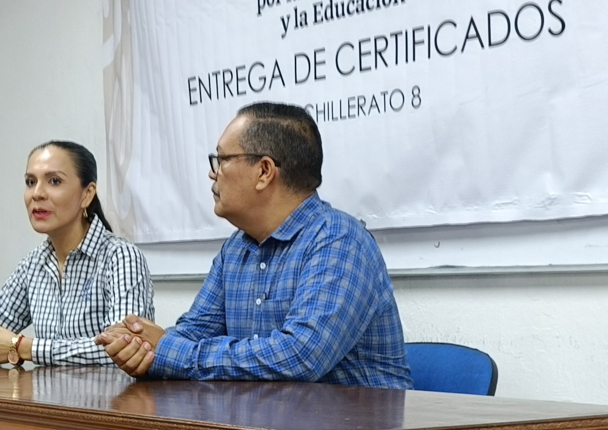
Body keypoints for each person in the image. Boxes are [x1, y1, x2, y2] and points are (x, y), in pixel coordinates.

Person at [96, 102, 411, 387]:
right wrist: (142, 347)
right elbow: (195, 331)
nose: (212, 173)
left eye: (222, 159)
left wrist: (167, 350)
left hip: (360, 428)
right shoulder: (236, 249)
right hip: (273, 423)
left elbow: (299, 356)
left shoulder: (338, 240)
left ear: (264, 171)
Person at [0, 140, 154, 367]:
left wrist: (23, 347)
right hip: (47, 391)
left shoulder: (121, 257)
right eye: (30, 182)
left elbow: (126, 348)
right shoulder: (34, 264)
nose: (37, 194)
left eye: (54, 181)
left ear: (87, 194)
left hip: (114, 391)